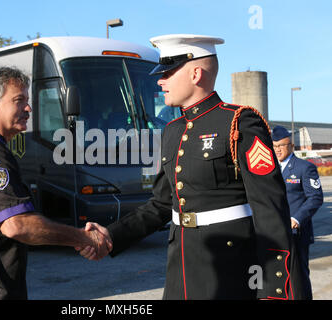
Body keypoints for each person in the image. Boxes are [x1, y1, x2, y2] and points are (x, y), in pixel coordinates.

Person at [78, 34, 303, 300]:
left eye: (168, 72)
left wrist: (274, 290)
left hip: (230, 270)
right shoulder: (173, 131)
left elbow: (270, 211)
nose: (160, 80)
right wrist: (112, 235)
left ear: (196, 73)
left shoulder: (239, 123)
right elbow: (161, 204)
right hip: (181, 268)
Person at [0, 66, 111, 300]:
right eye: (19, 100)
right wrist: (82, 238)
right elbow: (17, 224)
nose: (28, 108)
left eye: (27, 100)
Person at [272, 125, 323, 299]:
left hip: (296, 232)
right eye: (275, 146)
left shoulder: (304, 168)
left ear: (291, 146)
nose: (278, 149)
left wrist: (297, 218)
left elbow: (315, 198)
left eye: (282, 145)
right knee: (278, 277)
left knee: (299, 278)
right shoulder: (270, 169)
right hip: (275, 232)